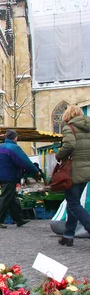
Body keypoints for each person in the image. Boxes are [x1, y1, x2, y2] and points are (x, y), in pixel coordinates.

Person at [55, 105, 90, 247]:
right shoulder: (87, 127)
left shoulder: (69, 127)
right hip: (87, 170)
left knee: (73, 203)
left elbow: (69, 145)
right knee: (73, 202)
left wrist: (59, 155)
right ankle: (68, 235)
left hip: (73, 170)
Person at [0, 129, 40, 229]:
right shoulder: (14, 148)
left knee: (12, 197)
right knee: (5, 197)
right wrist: (35, 171)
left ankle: (19, 219)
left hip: (1, 175)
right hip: (10, 175)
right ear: (15, 138)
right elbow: (24, 161)